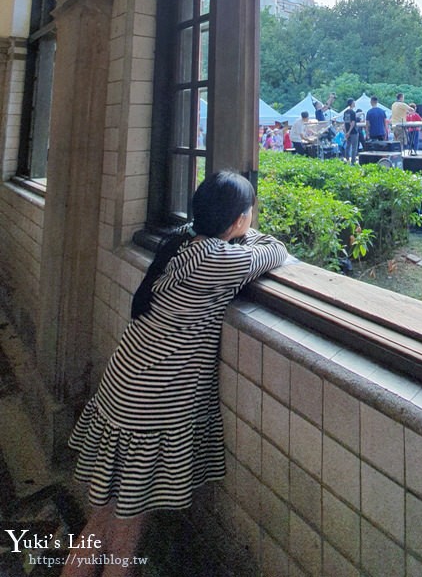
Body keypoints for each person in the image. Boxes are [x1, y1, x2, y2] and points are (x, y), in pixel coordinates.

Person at [64, 172, 287, 577]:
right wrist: (248, 235)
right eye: (248, 211)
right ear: (238, 219)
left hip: (124, 387)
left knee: (100, 520)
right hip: (151, 405)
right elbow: (275, 252)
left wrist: (235, 231)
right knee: (126, 532)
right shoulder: (216, 259)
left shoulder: (182, 240)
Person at [342, 99, 359, 163]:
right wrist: (349, 131)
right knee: (354, 147)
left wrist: (346, 132)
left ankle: (347, 159)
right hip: (353, 132)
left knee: (348, 146)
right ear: (352, 103)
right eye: (354, 102)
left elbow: (345, 122)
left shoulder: (345, 112)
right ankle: (353, 161)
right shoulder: (353, 112)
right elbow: (353, 123)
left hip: (347, 132)